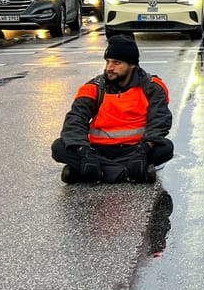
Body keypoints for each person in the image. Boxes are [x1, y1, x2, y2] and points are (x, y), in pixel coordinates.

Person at [51, 36, 174, 183]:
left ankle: (91, 172)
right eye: (108, 62)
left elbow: (159, 122)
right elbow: (75, 120)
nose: (109, 67)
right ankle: (128, 173)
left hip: (136, 150)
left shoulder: (153, 87)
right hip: (97, 150)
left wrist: (145, 149)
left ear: (132, 65)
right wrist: (84, 152)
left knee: (166, 148)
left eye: (116, 62)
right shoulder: (94, 87)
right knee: (58, 147)